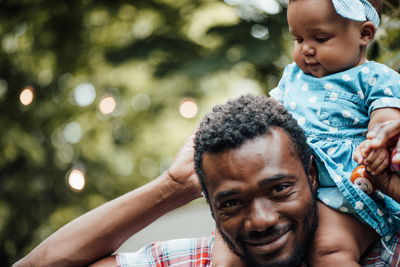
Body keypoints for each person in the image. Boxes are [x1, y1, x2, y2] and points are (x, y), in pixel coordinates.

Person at [13, 95, 400, 267]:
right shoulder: (192, 261)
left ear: (312, 176)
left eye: (279, 188)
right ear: (211, 207)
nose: (261, 220)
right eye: (231, 202)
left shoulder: (383, 252)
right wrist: (171, 186)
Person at [264, 0, 400, 266]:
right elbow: (269, 115)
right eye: (298, 38)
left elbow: (386, 123)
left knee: (328, 249)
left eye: (321, 38)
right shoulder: (291, 76)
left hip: (343, 191)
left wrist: (375, 148)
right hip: (290, 186)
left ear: (364, 34)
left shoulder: (374, 77)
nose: (306, 49)